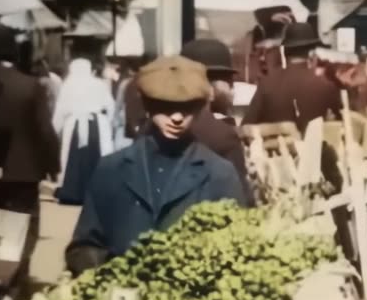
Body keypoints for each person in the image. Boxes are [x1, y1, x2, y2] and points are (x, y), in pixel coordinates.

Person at [64, 55, 249, 275]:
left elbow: (240, 247)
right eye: (166, 108)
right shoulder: (111, 169)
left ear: (200, 108)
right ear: (148, 106)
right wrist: (109, 273)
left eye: (187, 108)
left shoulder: (219, 174)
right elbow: (83, 244)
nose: (177, 118)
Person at [0, 27, 60, 295]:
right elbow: (44, 130)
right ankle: (14, 283)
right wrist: (52, 165)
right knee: (22, 226)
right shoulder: (29, 85)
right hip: (24, 171)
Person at [179, 38, 256, 203]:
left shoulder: (157, 127)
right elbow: (241, 199)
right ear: (211, 86)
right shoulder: (223, 136)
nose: (233, 88)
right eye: (229, 81)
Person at [244, 22, 343, 132]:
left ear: (285, 52)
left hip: (278, 147)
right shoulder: (326, 86)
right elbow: (342, 125)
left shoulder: (267, 83)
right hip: (315, 148)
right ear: (312, 54)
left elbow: (247, 127)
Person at [53, 58, 116, 205]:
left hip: (74, 125)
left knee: (74, 158)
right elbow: (111, 106)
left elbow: (60, 111)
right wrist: (108, 123)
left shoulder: (68, 85)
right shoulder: (99, 84)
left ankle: (72, 191)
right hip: (97, 125)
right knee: (96, 157)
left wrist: (55, 129)